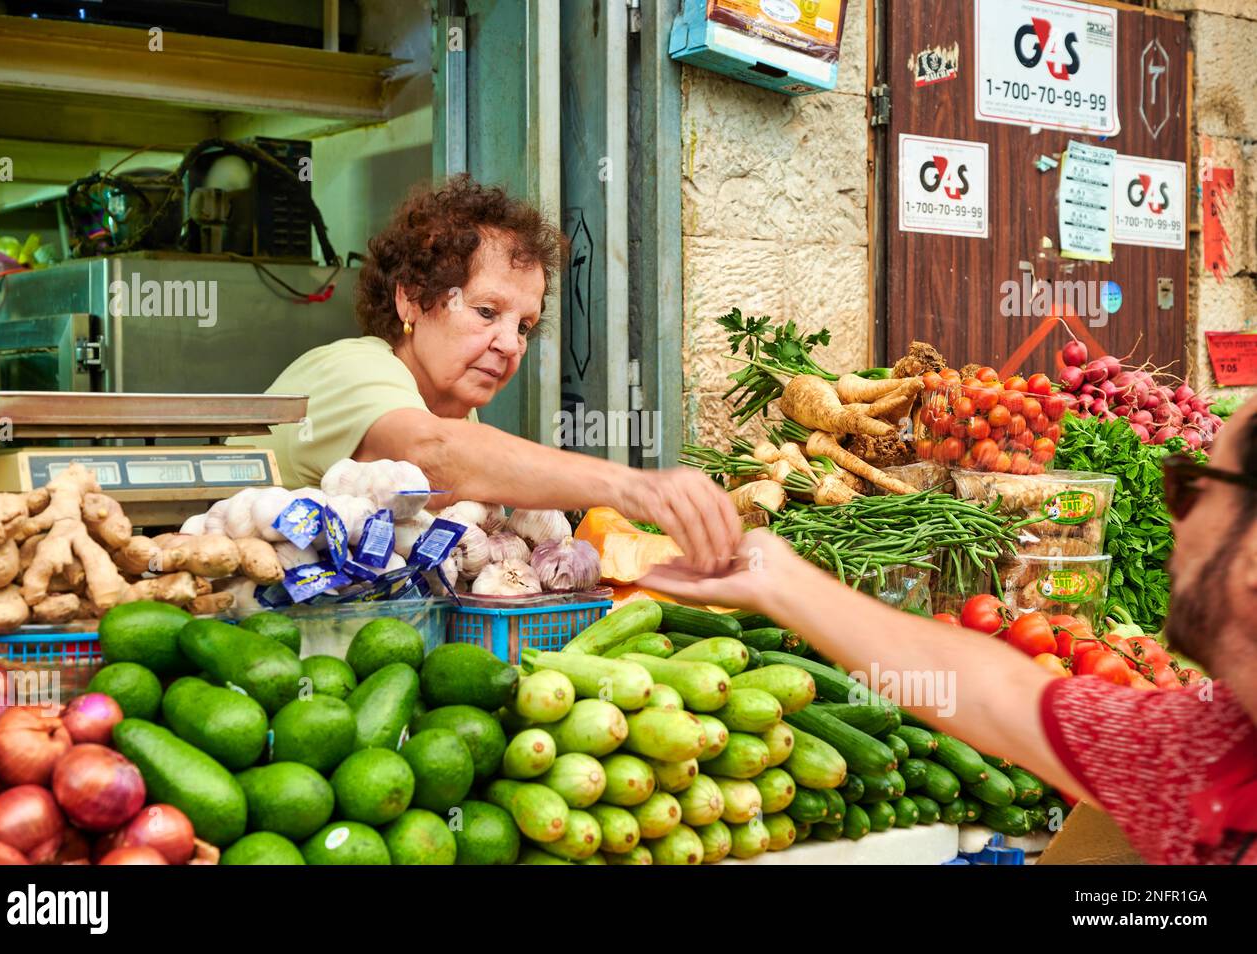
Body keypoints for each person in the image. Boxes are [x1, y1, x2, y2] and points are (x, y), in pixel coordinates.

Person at [642, 398, 1257, 865]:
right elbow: (997, 692)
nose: (1180, 523)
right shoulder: (1206, 744)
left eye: (1195, 490)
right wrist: (779, 579)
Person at [243, 175, 739, 572]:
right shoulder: (353, 368)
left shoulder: (456, 415)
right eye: (486, 312)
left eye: (523, 325)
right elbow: (432, 458)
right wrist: (635, 488)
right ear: (411, 298)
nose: (510, 344)